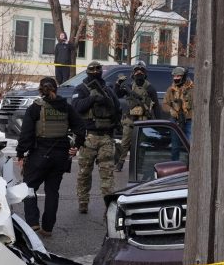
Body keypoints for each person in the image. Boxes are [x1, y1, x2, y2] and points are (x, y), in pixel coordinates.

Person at [16, 77, 85, 236]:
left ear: (40, 90)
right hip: (60, 156)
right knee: (52, 191)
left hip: (39, 155)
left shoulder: (35, 108)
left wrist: (20, 153)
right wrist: (76, 146)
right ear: (56, 89)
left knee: (29, 188)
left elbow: (26, 134)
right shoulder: (66, 107)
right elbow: (81, 128)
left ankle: (33, 222)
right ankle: (47, 228)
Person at [72, 61, 122, 214]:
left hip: (106, 137)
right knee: (84, 173)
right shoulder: (81, 89)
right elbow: (76, 107)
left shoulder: (108, 89)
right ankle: (83, 202)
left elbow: (117, 109)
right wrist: (92, 98)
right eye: (92, 70)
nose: (95, 72)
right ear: (88, 72)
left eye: (98, 70)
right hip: (88, 137)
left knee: (107, 174)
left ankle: (109, 205)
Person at [114, 60, 162, 172]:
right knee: (124, 143)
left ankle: (139, 167)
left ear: (145, 73)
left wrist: (159, 122)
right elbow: (116, 94)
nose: (139, 73)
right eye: (136, 71)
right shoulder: (129, 86)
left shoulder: (150, 88)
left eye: (141, 71)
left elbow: (156, 106)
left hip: (144, 121)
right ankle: (119, 164)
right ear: (133, 73)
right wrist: (118, 84)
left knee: (141, 145)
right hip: (130, 120)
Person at [162, 66, 194, 161]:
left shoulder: (192, 89)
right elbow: (164, 104)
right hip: (175, 120)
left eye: (178, 76)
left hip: (189, 120)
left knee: (190, 145)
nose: (176, 78)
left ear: (183, 77)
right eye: (174, 76)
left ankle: (191, 165)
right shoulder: (171, 90)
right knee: (175, 147)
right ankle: (174, 165)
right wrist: (171, 110)